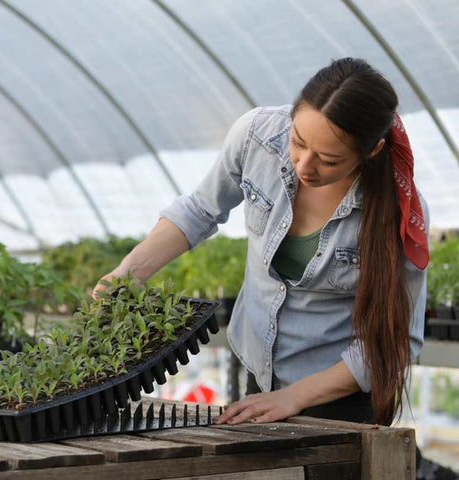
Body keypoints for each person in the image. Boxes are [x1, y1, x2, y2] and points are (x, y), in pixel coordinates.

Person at [93, 57, 429, 429]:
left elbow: (396, 344)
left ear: (371, 151)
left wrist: (293, 398)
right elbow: (199, 210)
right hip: (259, 375)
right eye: (298, 142)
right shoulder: (257, 136)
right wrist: (127, 273)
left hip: (336, 398)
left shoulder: (398, 213)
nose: (304, 165)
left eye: (329, 160)